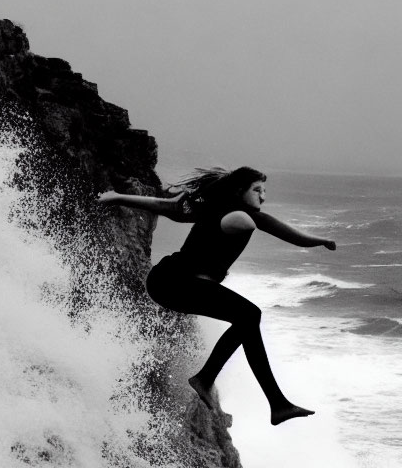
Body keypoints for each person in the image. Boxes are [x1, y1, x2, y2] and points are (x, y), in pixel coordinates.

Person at [98, 167, 337, 425]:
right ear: (239, 191)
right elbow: (162, 205)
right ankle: (220, 384)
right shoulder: (231, 215)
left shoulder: (230, 213)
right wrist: (116, 197)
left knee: (247, 320)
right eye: (257, 190)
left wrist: (320, 240)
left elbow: (291, 235)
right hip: (173, 281)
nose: (263, 196)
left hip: (176, 285)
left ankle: (272, 402)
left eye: (265, 191)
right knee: (249, 315)